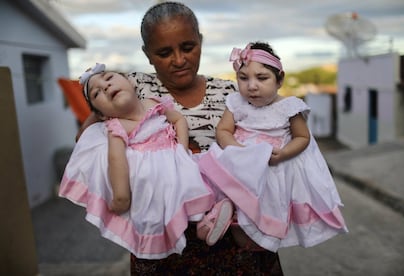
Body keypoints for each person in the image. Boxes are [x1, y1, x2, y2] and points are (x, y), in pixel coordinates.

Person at [78, 2, 285, 274]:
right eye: (164, 52)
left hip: (237, 244)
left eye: (188, 47)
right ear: (147, 54)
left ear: (200, 41)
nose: (178, 60)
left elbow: (271, 135)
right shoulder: (129, 87)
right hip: (161, 245)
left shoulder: (232, 93)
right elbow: (88, 140)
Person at [59, 63, 234, 260]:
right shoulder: (117, 127)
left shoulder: (153, 103)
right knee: (167, 198)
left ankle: (211, 218)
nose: (106, 87)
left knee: (209, 171)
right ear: (101, 114)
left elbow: (178, 119)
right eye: (96, 93)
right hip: (157, 174)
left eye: (109, 79)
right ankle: (201, 225)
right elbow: (117, 161)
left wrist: (182, 149)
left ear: (130, 83)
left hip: (177, 159)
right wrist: (121, 196)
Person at [198, 42, 348, 253]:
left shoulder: (288, 107)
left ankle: (240, 225)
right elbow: (223, 130)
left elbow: (302, 137)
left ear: (280, 80)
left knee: (261, 204)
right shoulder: (236, 102)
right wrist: (237, 150)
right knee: (215, 178)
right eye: (243, 78)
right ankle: (218, 214)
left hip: (269, 164)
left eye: (262, 78)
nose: (251, 86)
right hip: (239, 157)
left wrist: (285, 153)